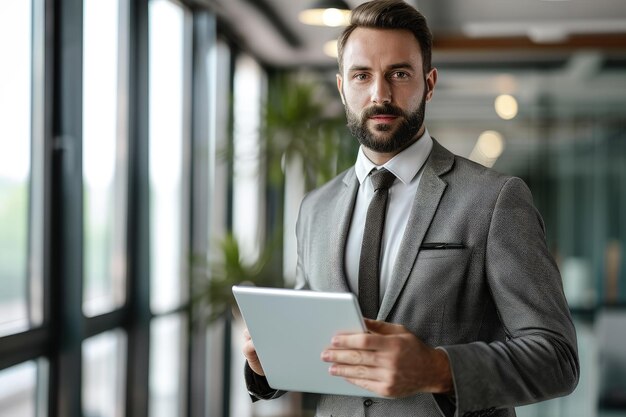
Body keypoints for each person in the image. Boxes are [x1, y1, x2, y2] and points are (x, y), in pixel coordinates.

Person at [243, 0, 579, 416]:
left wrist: (438, 369)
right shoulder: (316, 207)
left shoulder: (495, 199)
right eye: (362, 75)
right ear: (342, 87)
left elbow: (558, 359)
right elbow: (317, 339)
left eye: (399, 74)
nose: (380, 94)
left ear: (430, 83)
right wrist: (266, 365)